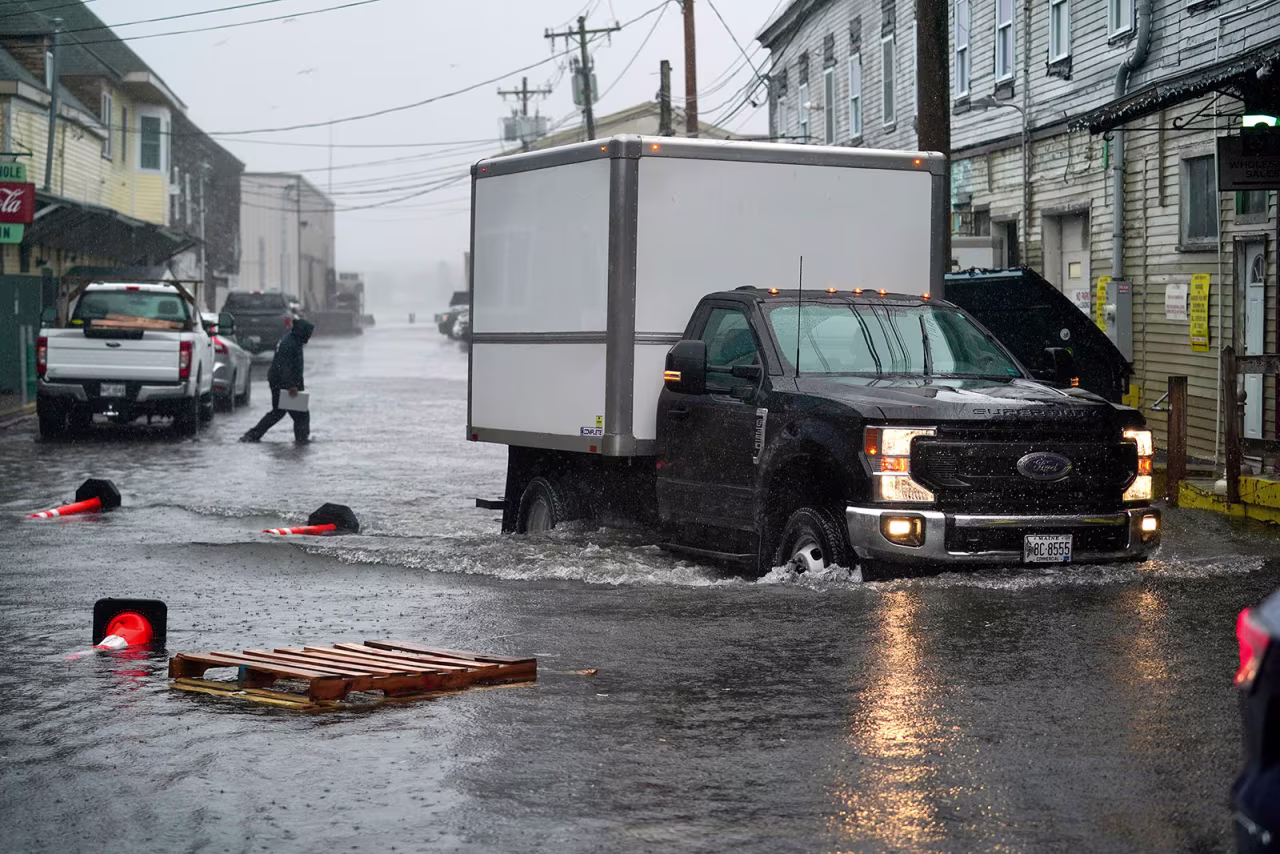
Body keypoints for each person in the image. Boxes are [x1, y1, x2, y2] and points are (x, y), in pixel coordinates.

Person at [240, 317, 315, 443]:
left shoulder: (292, 339)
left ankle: (253, 435)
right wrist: (291, 386)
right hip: (284, 384)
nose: (309, 337)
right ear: (303, 331)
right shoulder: (291, 343)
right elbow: (284, 366)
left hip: (278, 381)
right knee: (301, 414)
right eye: (308, 333)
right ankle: (302, 441)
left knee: (278, 412)